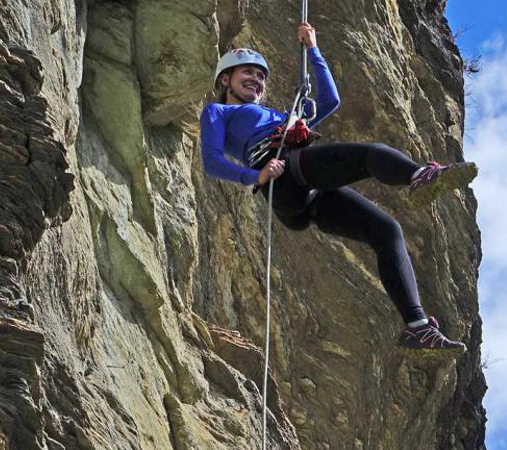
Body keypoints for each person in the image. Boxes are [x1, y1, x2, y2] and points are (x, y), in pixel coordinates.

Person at [200, 23, 476, 351]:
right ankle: (418, 177)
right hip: (283, 175)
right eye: (247, 73)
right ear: (225, 80)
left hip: (302, 194)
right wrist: (254, 178)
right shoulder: (218, 112)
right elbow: (212, 161)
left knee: (387, 231)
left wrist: (313, 50)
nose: (256, 80)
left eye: (260, 76)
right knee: (371, 154)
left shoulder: (280, 118)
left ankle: (417, 326)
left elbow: (330, 100)